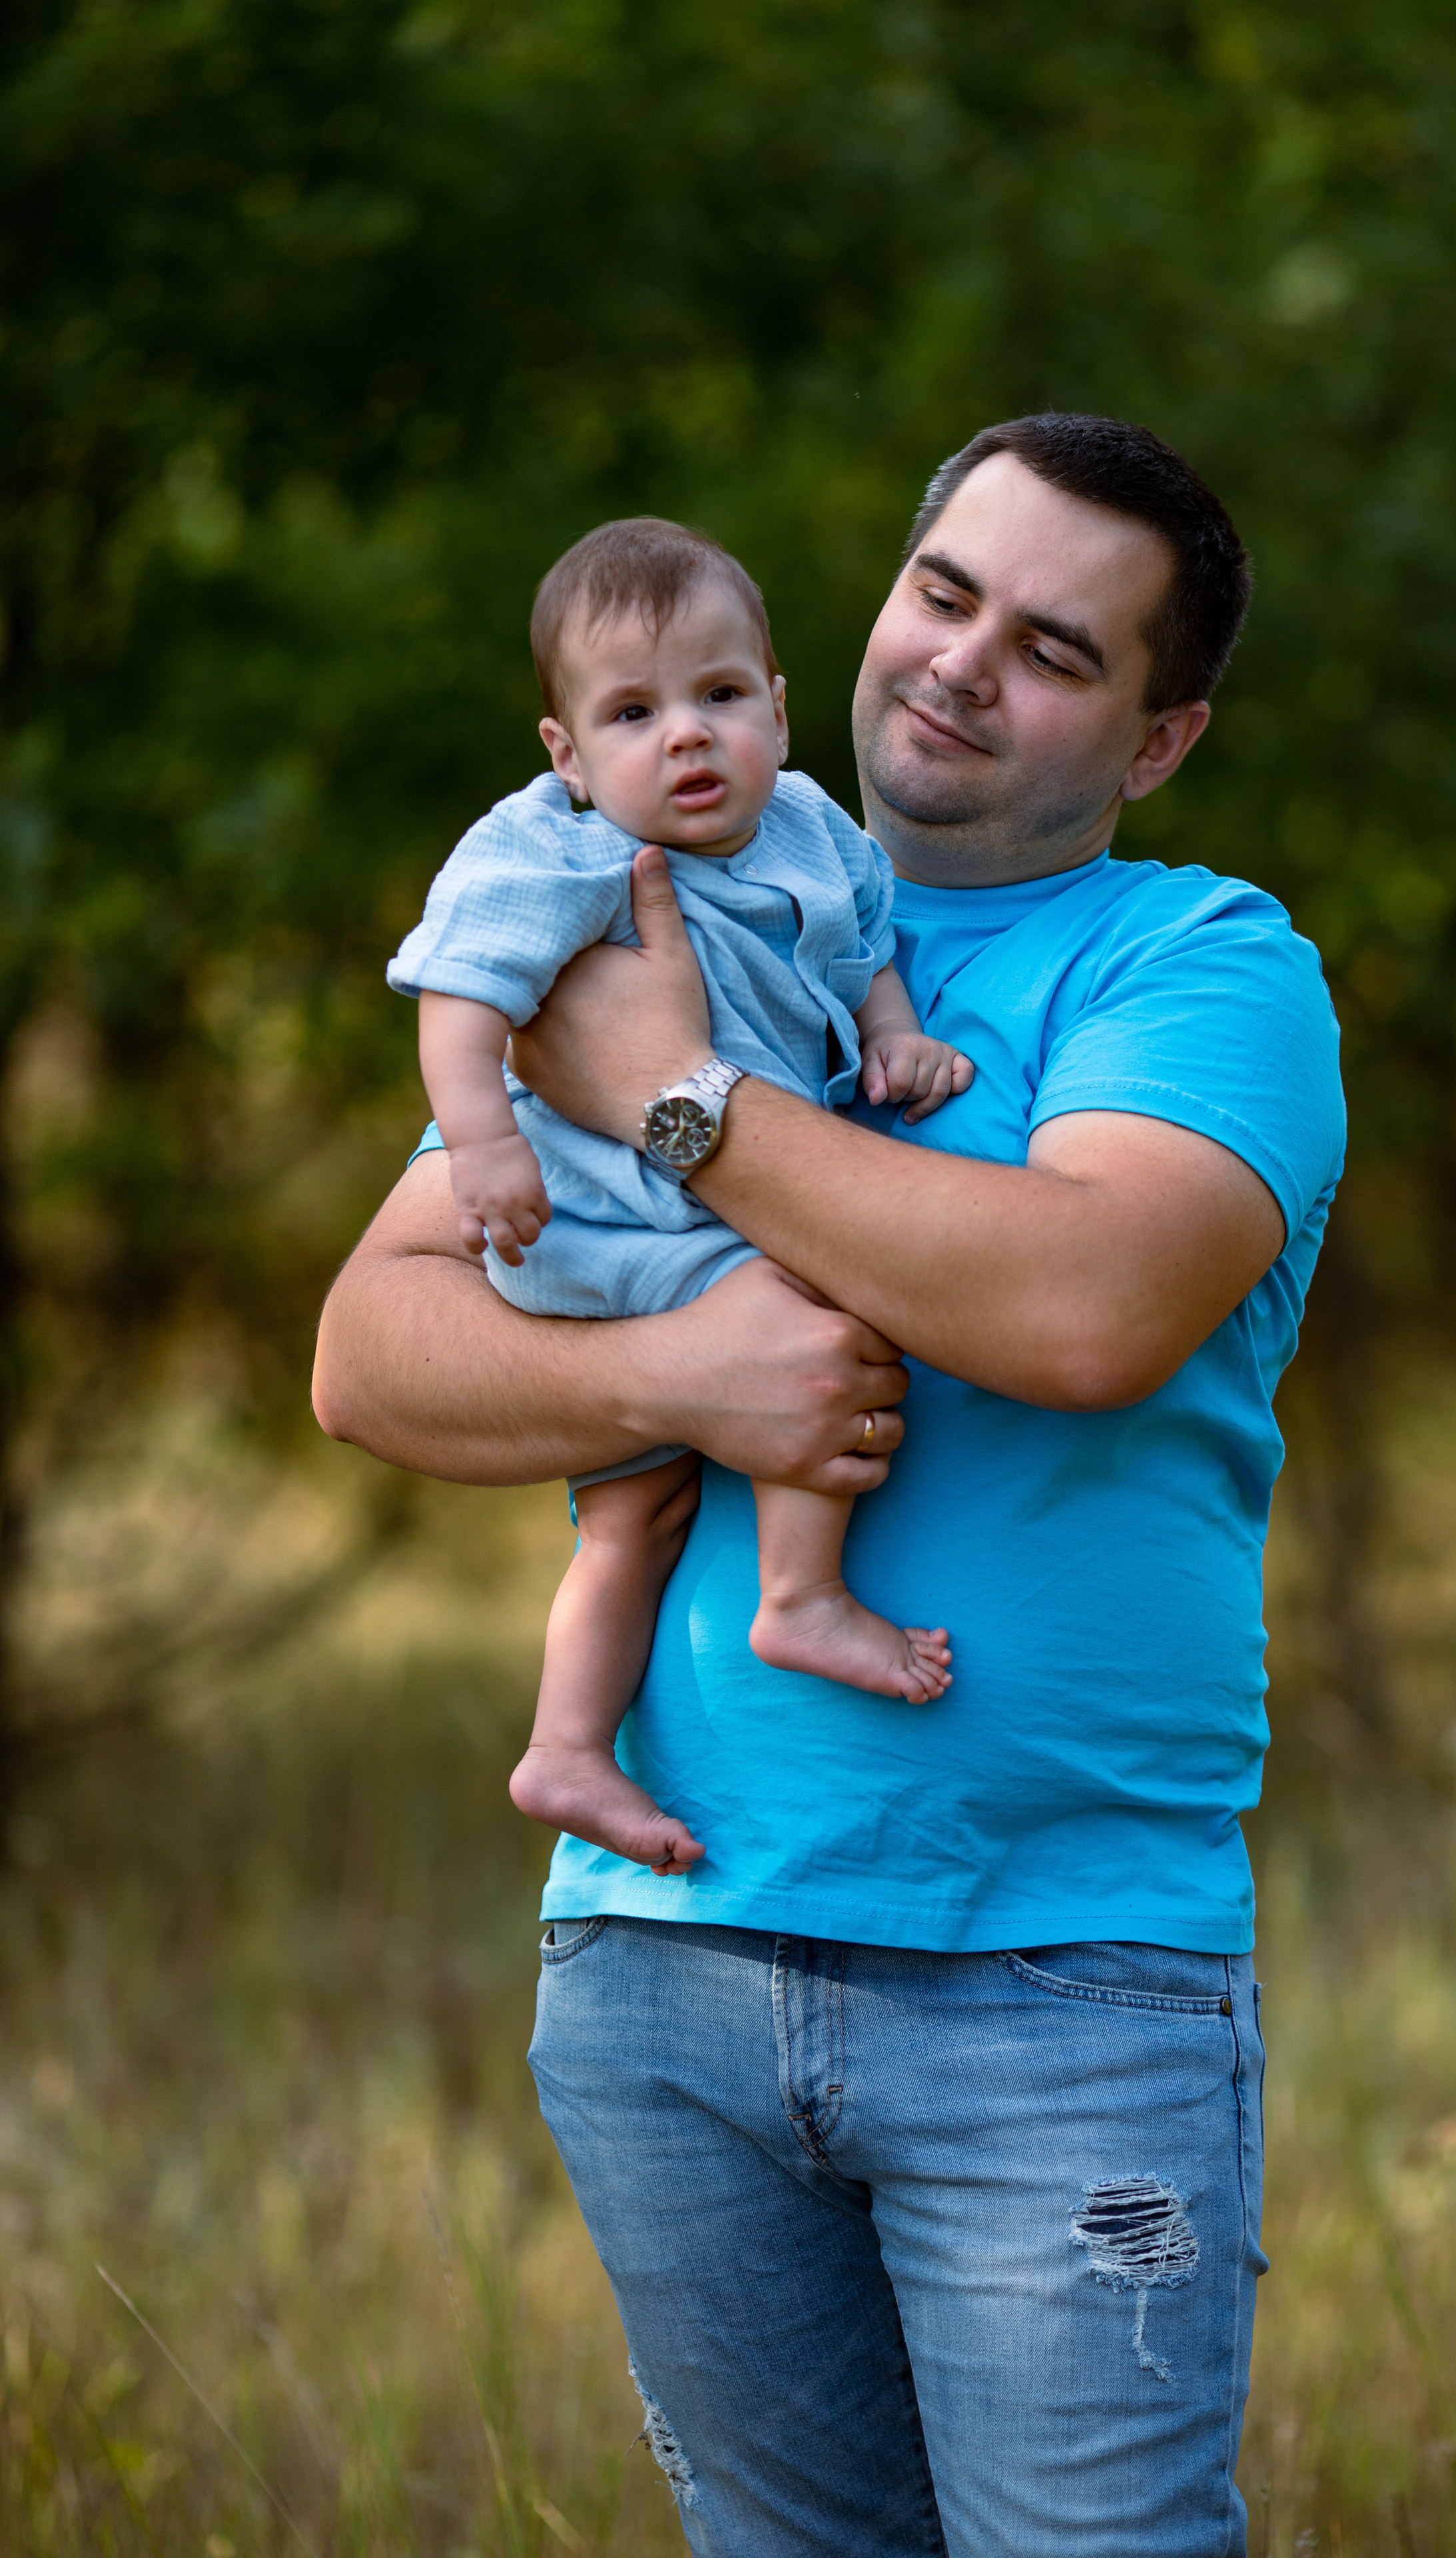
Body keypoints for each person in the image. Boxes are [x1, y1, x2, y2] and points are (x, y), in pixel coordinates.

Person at [314, 412, 1347, 2557]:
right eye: (944, 591)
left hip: (1054, 1979)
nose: (962, 664)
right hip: (663, 1960)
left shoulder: (1197, 965)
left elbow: (1083, 1307)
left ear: (1158, 742)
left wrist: (679, 1098)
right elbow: (370, 1355)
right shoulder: (637, 892)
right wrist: (687, 1365)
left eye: (1055, 648)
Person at [389, 516, 971, 1878]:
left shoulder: (813, 827)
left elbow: (861, 944)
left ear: (775, 702)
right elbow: (462, 994)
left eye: (718, 697)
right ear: (567, 758)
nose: (686, 739)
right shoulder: (555, 855)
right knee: (813, 1298)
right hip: (606, 1215)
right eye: (633, 714)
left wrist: (887, 1032)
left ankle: (566, 1750)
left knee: (631, 1514)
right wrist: (479, 1148)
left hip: (689, 1204)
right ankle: (801, 1596)